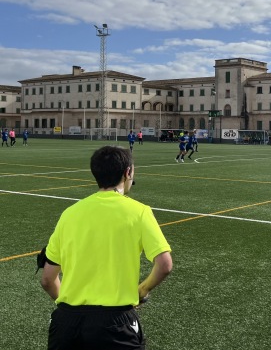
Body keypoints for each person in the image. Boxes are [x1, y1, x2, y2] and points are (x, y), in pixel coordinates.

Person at [39, 146, 172, 350]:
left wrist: (71, 310)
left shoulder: (69, 214)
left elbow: (48, 279)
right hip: (115, 323)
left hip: (66, 324)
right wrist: (141, 290)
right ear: (127, 172)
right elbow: (164, 265)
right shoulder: (139, 212)